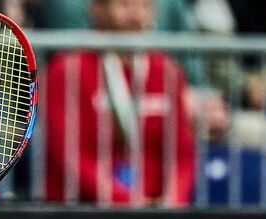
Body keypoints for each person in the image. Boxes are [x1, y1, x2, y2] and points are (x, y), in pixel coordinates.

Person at [43, 0, 196, 206]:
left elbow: (181, 153)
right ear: (96, 10)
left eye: (145, 6)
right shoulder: (67, 70)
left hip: (155, 211)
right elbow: (69, 154)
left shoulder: (167, 71)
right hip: (82, 211)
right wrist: (126, 202)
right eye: (124, 4)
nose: (135, 15)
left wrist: (172, 200)